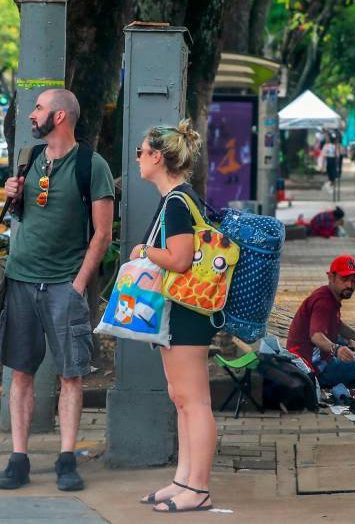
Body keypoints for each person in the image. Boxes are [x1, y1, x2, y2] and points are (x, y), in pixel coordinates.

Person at [0, 89, 115, 491]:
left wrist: (79, 284)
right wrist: (11, 196)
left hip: (64, 284)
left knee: (71, 374)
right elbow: (24, 216)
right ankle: (19, 458)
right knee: (21, 373)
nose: (32, 114)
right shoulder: (30, 159)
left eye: (40, 108)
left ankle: (66, 458)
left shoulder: (90, 165)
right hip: (21, 280)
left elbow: (102, 234)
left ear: (60, 116)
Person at [130, 120, 217, 514]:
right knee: (181, 398)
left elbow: (180, 260)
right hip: (181, 313)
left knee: (194, 401)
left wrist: (144, 253)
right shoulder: (178, 200)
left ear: (157, 157)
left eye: (140, 152)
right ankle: (184, 479)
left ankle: (198, 488)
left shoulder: (178, 203)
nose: (137, 159)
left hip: (187, 313)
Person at [286, 255, 355, 388]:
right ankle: (347, 379)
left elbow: (336, 323)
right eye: (344, 279)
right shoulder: (324, 302)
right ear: (331, 277)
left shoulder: (327, 294)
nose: (350, 285)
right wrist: (337, 349)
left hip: (308, 361)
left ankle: (347, 373)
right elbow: (316, 336)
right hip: (313, 370)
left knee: (347, 340)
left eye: (354, 280)